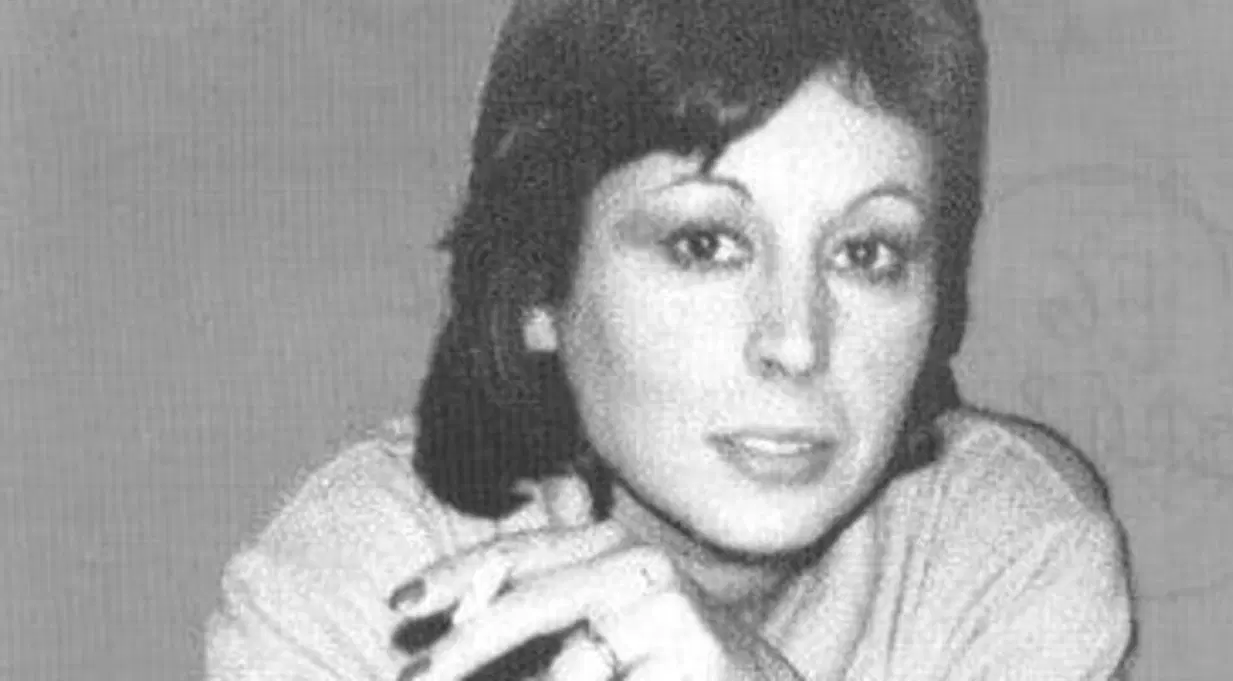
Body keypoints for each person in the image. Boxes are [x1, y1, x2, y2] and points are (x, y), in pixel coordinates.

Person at [205, 0, 1136, 678]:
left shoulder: (1001, 558)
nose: (796, 343)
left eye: (867, 253)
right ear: (540, 287)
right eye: (706, 244)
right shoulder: (364, 583)